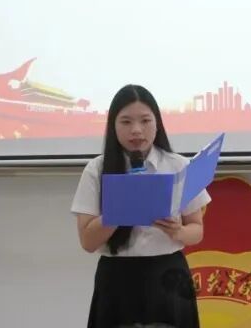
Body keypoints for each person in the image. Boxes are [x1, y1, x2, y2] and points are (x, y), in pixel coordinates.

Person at [71, 83, 211, 328]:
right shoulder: (96, 169)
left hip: (169, 274)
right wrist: (118, 212)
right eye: (126, 122)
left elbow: (197, 231)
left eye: (145, 121)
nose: (136, 130)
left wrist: (177, 231)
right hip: (117, 279)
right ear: (113, 126)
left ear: (157, 123)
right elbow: (88, 242)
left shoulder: (180, 166)